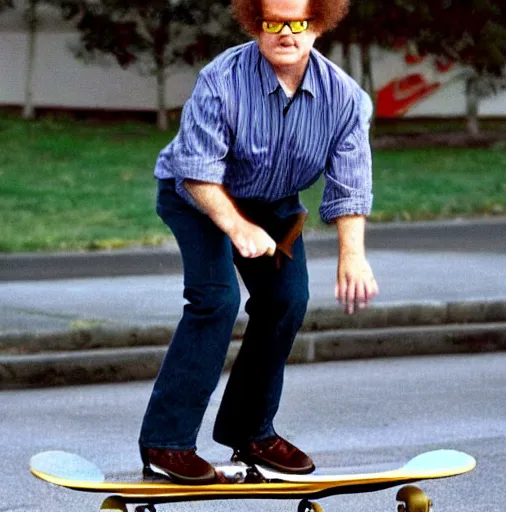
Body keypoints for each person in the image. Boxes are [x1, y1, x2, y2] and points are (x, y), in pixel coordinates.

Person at [139, 0, 379, 484]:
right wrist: (236, 226)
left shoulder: (346, 99)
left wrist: (352, 256)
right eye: (273, 22)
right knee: (216, 300)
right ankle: (165, 444)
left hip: (273, 201)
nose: (285, 33)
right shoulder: (221, 80)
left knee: (287, 300)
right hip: (197, 194)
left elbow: (349, 183)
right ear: (256, 24)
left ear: (317, 25)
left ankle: (250, 430)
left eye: (298, 22)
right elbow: (198, 171)